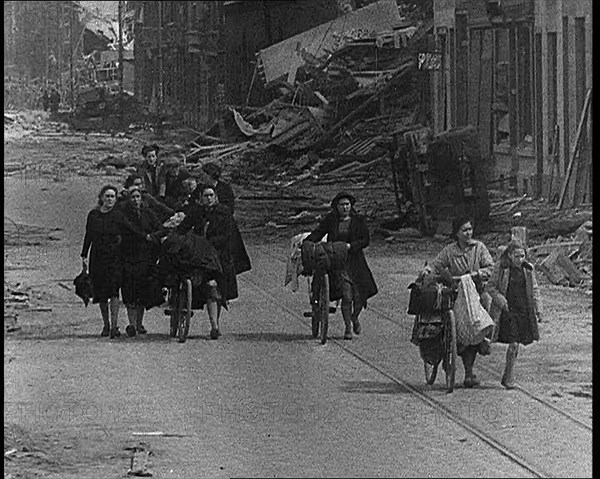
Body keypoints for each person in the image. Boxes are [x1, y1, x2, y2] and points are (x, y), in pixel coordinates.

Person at [422, 216, 494, 388]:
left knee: (488, 303)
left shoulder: (479, 248)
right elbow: (435, 264)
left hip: (477, 291)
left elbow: (491, 268)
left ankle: (485, 338)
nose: (468, 233)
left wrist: (476, 275)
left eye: (470, 229)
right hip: (456, 293)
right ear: (456, 233)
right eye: (464, 230)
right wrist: (426, 271)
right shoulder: (449, 251)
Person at [304, 191, 378, 340]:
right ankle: (348, 328)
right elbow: (319, 232)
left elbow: (365, 240)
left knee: (359, 297)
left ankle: (354, 317)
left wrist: (351, 246)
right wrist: (308, 241)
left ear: (351, 206)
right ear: (336, 206)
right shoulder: (331, 220)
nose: (345, 207)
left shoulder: (358, 221)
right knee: (347, 296)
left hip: (356, 262)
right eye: (342, 205)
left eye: (347, 204)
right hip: (338, 262)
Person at [177, 184, 239, 339]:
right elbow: (183, 228)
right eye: (206, 196)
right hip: (198, 255)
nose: (209, 198)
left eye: (211, 195)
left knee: (215, 287)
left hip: (218, 254)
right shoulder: (196, 212)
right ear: (200, 198)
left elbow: (228, 234)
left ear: (216, 197)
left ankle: (214, 325)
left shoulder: (224, 213)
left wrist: (209, 242)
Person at [487, 239, 542, 389]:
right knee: (513, 343)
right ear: (510, 255)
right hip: (507, 310)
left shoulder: (528, 269)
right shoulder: (502, 267)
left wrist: (538, 309)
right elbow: (490, 287)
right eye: (517, 256)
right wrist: (501, 300)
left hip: (523, 310)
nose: (520, 259)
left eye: (522, 255)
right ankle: (509, 377)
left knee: (517, 344)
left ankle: (507, 374)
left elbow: (535, 289)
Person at [80, 185, 124, 338]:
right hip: (97, 257)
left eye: (112, 196)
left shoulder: (118, 215)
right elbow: (89, 235)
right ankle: (106, 325)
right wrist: (84, 254)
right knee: (101, 292)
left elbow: (129, 230)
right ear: (101, 198)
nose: (110, 199)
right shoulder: (93, 215)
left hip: (115, 257)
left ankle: (114, 326)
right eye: (107, 196)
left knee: (114, 290)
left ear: (116, 199)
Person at [119, 186, 162, 337]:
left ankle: (139, 323)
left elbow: (160, 228)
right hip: (128, 256)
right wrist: (146, 236)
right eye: (133, 197)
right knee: (129, 291)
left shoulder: (149, 214)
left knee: (141, 291)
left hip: (145, 257)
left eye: (138, 197)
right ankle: (131, 324)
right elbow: (129, 229)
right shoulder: (124, 214)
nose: (135, 200)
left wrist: (153, 237)